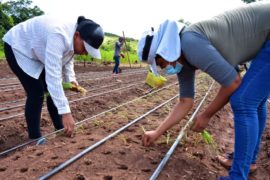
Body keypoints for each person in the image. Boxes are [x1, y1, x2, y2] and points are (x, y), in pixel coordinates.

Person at [138, 2, 270, 180]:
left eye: (161, 63)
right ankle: (249, 161)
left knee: (244, 101)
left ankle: (238, 176)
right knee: (255, 101)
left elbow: (233, 82)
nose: (165, 69)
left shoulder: (190, 42)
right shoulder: (182, 61)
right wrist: (157, 132)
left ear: (166, 51)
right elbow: (185, 102)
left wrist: (206, 115)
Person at [2, 15, 104, 139]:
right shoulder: (59, 35)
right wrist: (66, 113)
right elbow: (53, 78)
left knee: (51, 92)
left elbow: (68, 57)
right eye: (85, 48)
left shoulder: (73, 37)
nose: (85, 53)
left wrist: (71, 79)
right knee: (36, 92)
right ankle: (34, 138)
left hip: (37, 51)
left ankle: (61, 129)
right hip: (18, 46)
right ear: (77, 35)